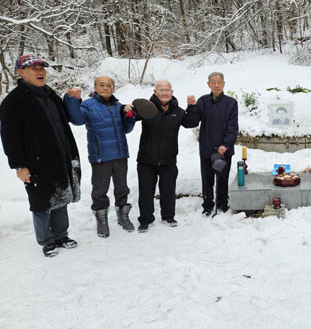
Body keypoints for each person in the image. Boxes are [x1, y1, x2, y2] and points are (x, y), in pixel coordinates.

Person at [0, 55, 81, 257]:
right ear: (21, 72)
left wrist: (70, 100)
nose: (40, 72)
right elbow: (10, 137)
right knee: (41, 202)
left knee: (62, 196)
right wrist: (19, 165)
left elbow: (64, 120)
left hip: (60, 156)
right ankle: (46, 240)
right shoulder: (13, 101)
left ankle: (61, 235)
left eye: (42, 68)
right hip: (36, 163)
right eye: (34, 68)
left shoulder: (50, 94)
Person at [64, 76, 136, 237]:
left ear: (113, 88)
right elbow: (76, 120)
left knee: (122, 188)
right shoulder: (88, 105)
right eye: (101, 85)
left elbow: (126, 129)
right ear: (95, 87)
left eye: (109, 85)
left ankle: (123, 216)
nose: (105, 88)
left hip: (120, 155)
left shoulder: (118, 106)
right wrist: (72, 100)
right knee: (100, 190)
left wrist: (130, 116)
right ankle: (101, 220)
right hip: (100, 157)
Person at [135, 80, 199, 232]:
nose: (164, 93)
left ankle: (168, 216)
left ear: (172, 92)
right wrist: (128, 110)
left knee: (168, 190)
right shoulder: (146, 108)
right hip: (146, 159)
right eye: (161, 90)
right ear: (155, 91)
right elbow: (131, 118)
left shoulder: (178, 111)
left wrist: (193, 108)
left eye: (167, 90)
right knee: (145, 192)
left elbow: (191, 123)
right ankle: (145, 220)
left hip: (168, 159)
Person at [187, 72, 239, 216]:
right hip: (206, 148)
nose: (216, 85)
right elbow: (193, 122)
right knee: (207, 179)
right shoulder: (203, 101)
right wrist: (191, 108)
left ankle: (222, 203)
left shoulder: (231, 103)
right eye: (213, 82)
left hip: (224, 150)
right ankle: (208, 204)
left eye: (219, 82)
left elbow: (233, 127)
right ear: (208, 84)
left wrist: (226, 144)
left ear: (224, 84)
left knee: (222, 178)